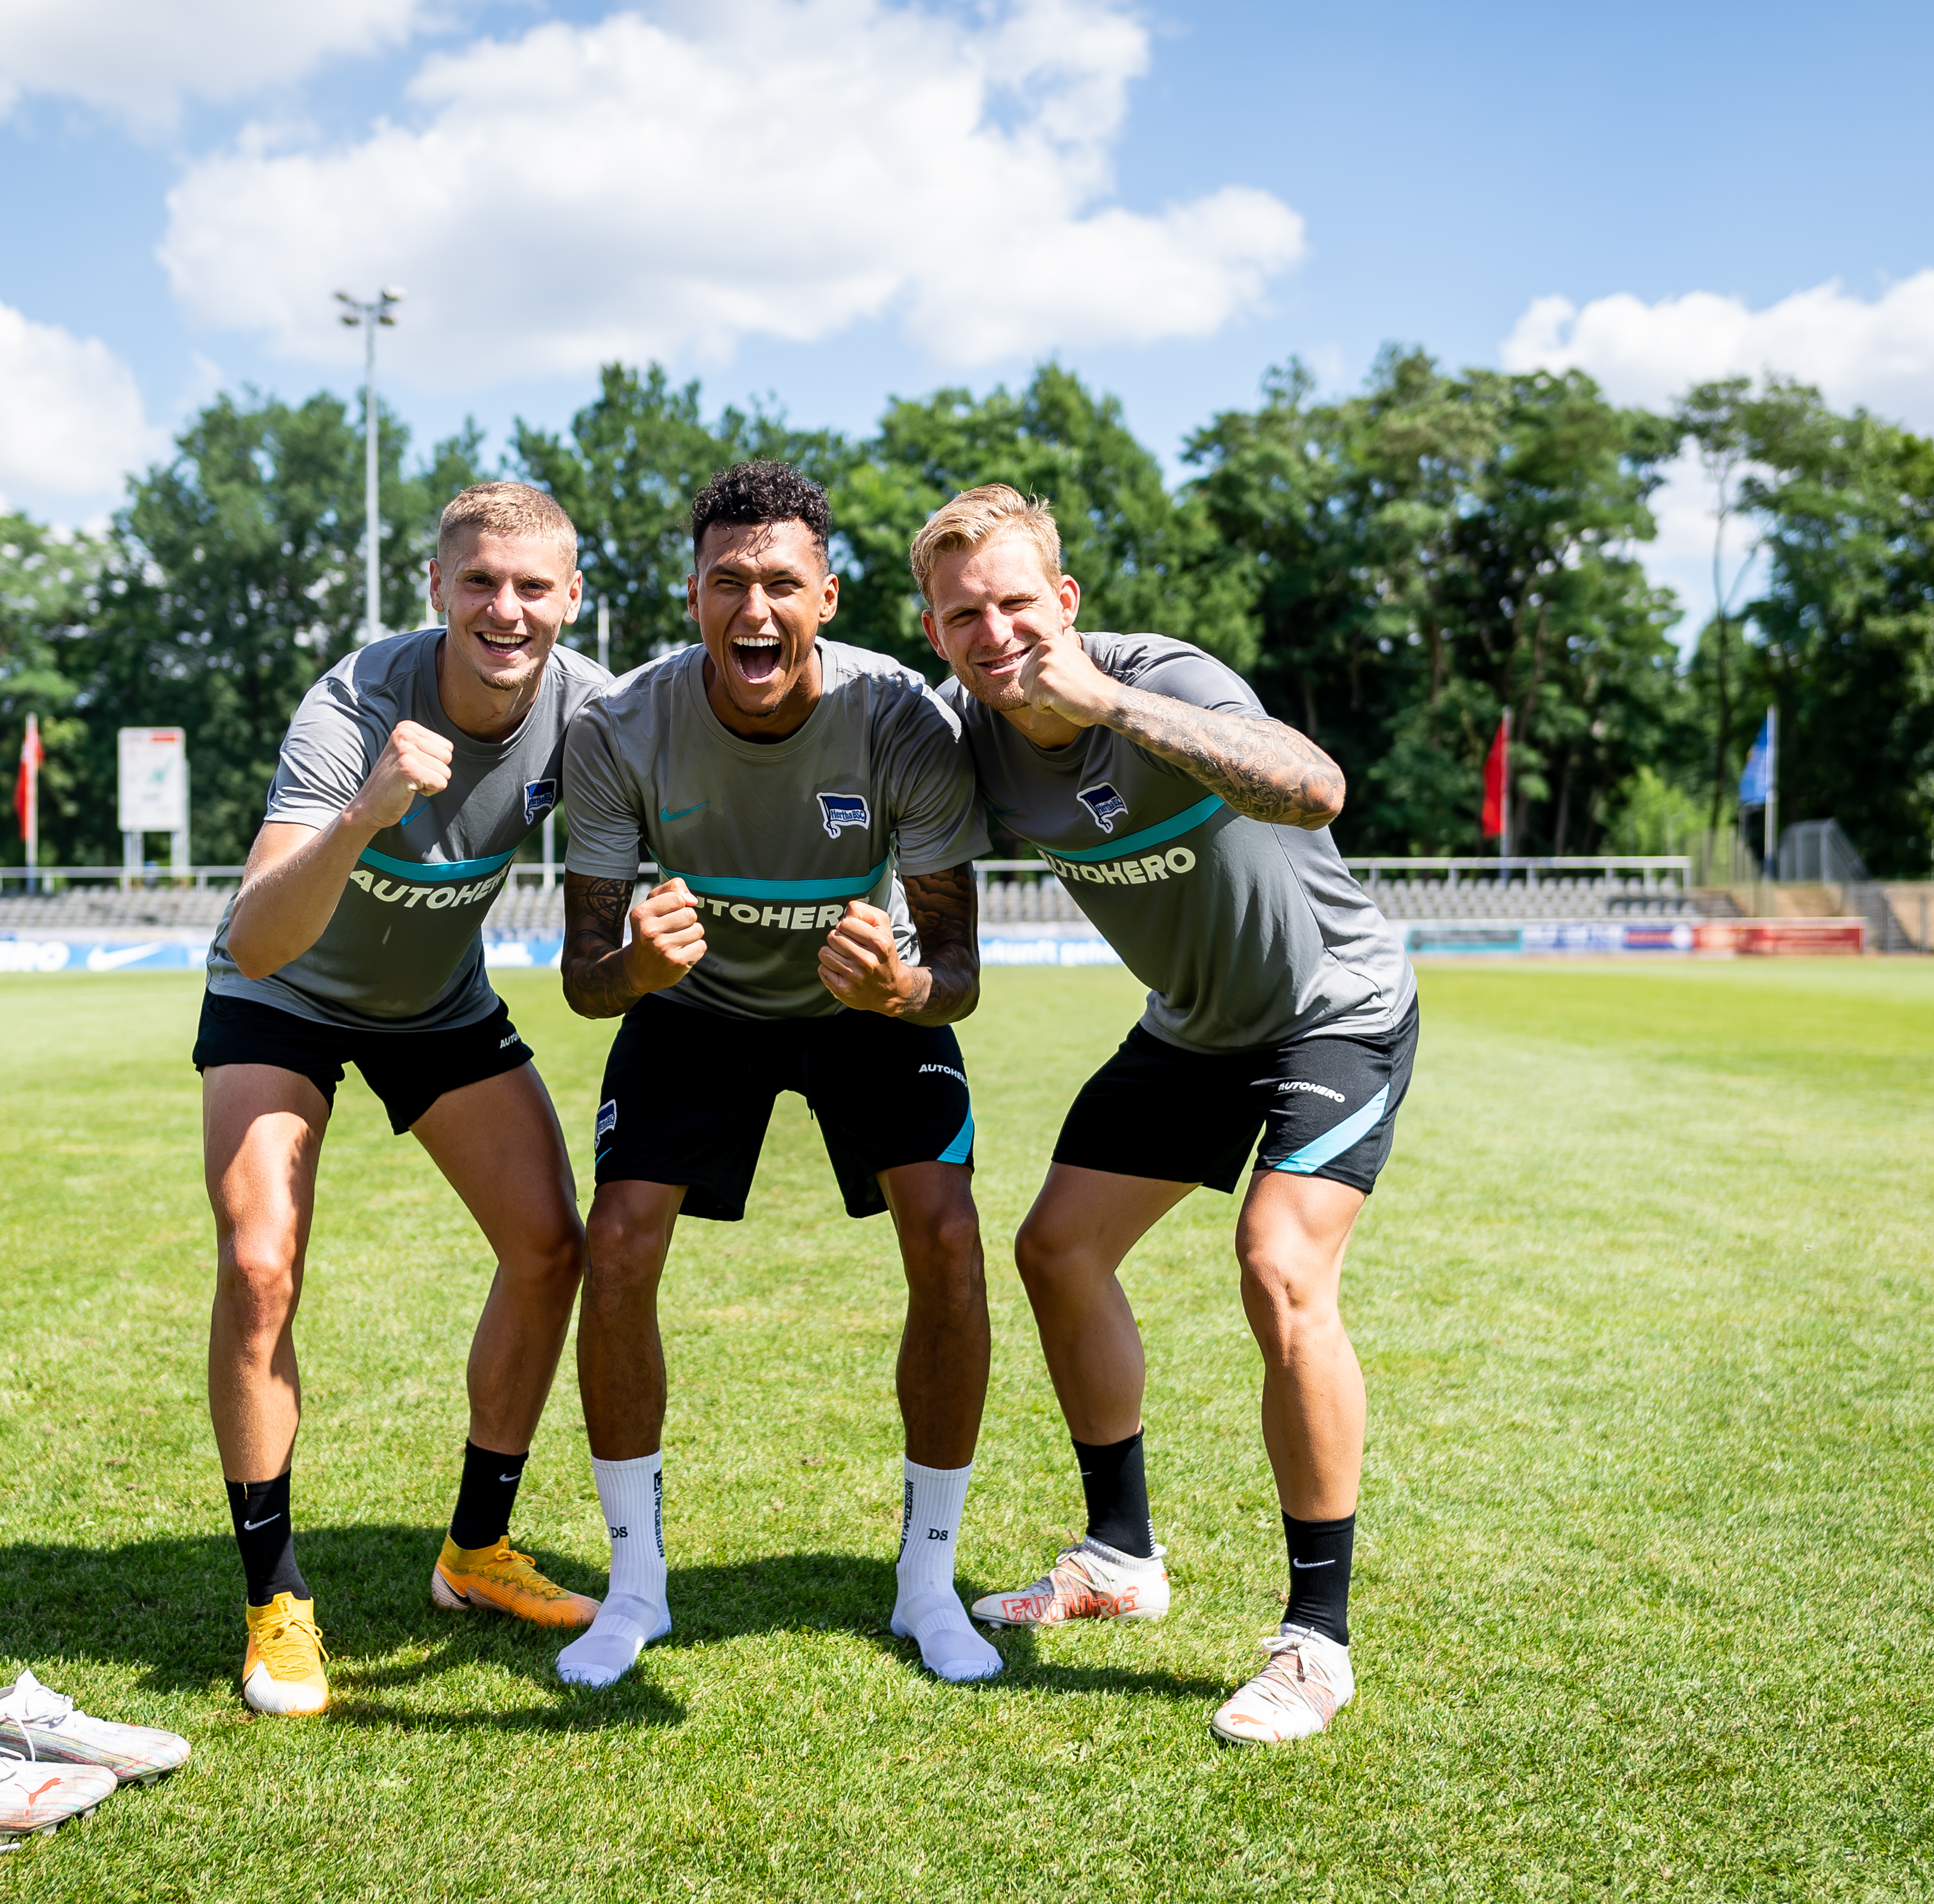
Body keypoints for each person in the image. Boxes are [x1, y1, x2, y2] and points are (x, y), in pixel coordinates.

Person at [914, 484, 1417, 1746]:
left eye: (1018, 603)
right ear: (936, 631)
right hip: (1193, 1027)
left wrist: (1113, 705)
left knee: (1278, 1265)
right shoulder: (964, 743)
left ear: (1065, 603)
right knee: (1056, 1248)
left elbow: (1314, 789)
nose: (996, 632)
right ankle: (1118, 1557)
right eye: (964, 613)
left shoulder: (1161, 677)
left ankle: (1317, 1641)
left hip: (1331, 1009)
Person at [549, 460, 1003, 1690]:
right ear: (691, 595)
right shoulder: (619, 729)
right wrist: (634, 968)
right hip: (693, 1008)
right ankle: (634, 1589)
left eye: (782, 585)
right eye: (729, 583)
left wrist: (903, 991)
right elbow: (583, 973)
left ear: (828, 596)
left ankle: (926, 1583)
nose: (756, 610)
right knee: (619, 1241)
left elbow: (958, 966)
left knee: (950, 1237)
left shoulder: (906, 717)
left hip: (863, 1003)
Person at [195, 481, 614, 1718]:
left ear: (571, 598)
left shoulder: (594, 710)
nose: (506, 608)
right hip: (285, 1002)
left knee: (550, 1248)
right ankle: (275, 1599)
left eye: (533, 587)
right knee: (260, 1263)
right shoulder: (354, 701)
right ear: (437, 588)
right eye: (479, 581)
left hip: (437, 1004)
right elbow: (260, 937)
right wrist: (371, 808)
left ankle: (475, 1553)